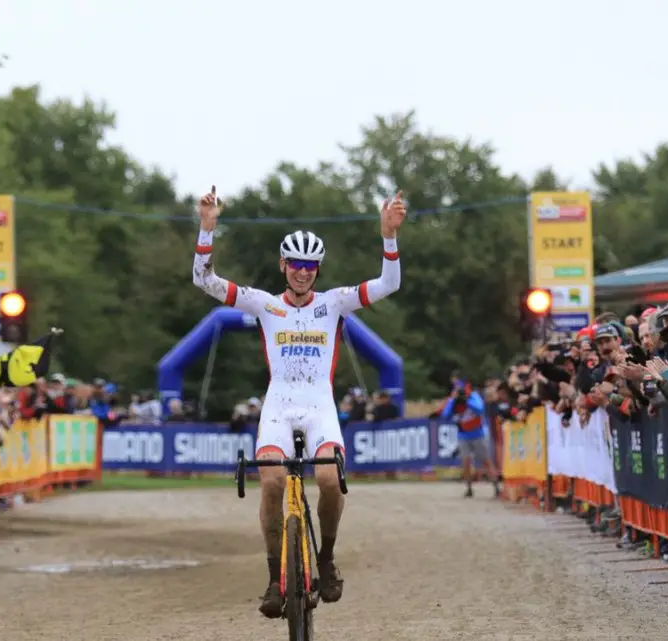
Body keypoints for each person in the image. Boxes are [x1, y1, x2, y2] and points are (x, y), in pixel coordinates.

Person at [191, 186, 405, 617]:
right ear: (283, 266)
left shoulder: (334, 303)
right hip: (278, 407)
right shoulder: (266, 304)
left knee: (328, 481)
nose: (303, 272)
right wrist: (207, 229)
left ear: (318, 269)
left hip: (319, 407)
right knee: (271, 483)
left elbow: (389, 283)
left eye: (310, 265)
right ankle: (274, 577)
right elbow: (205, 280)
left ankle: (325, 560)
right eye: (296, 265)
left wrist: (389, 237)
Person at [440, 379, 500, 498]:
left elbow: (480, 409)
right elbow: (445, 416)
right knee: (466, 462)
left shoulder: (473, 396)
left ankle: (496, 486)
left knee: (486, 460)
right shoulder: (453, 401)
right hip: (463, 435)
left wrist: (467, 401)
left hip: (478, 434)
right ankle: (469, 488)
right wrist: (453, 400)